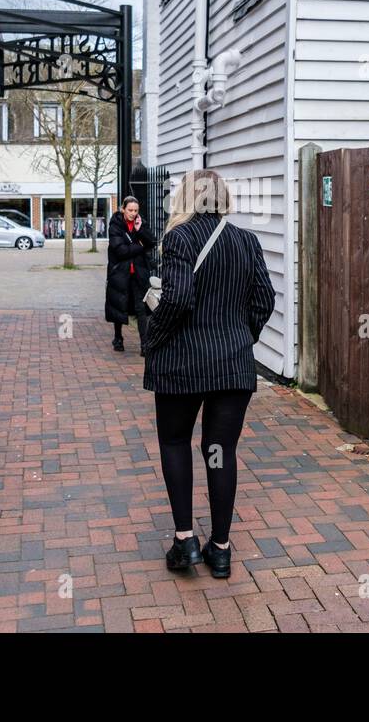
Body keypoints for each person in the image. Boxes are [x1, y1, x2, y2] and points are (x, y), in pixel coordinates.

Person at [143, 169, 276, 579]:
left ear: (186, 196)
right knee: (220, 451)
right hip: (233, 364)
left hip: (182, 363)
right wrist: (241, 337)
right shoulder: (246, 241)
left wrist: (153, 339)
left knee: (176, 442)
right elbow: (265, 299)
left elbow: (178, 298)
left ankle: (185, 541)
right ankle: (220, 548)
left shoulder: (179, 238)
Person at [105, 196, 156, 355]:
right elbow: (120, 251)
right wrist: (140, 246)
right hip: (120, 271)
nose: (133, 213)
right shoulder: (115, 225)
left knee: (141, 309)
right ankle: (118, 337)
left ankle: (144, 345)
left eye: (136, 210)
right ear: (123, 209)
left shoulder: (141, 223)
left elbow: (152, 242)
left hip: (138, 273)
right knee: (119, 304)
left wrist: (140, 230)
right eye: (130, 210)